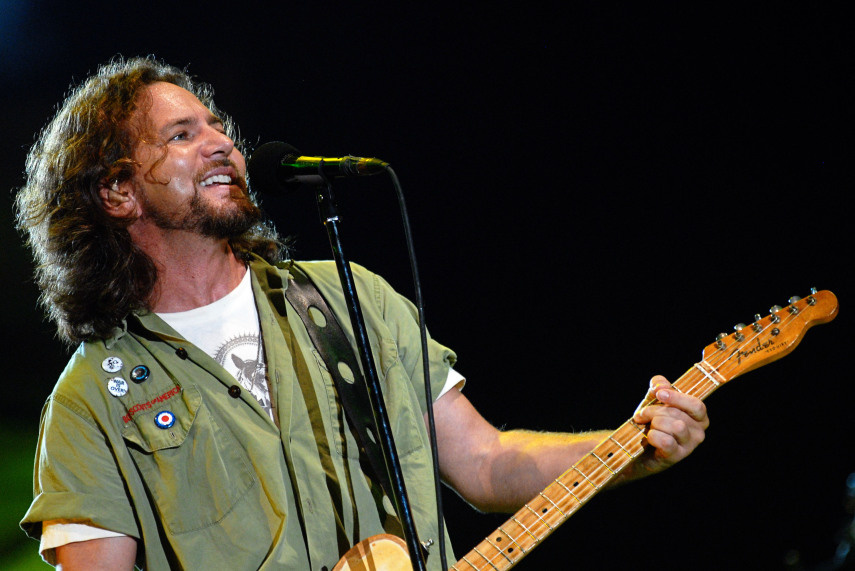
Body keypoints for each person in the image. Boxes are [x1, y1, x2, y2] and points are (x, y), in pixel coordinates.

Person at [15, 56, 709, 571]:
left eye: (218, 126)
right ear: (116, 192)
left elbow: (487, 463)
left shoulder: (348, 298)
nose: (221, 142)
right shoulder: (92, 398)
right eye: (180, 135)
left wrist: (627, 451)